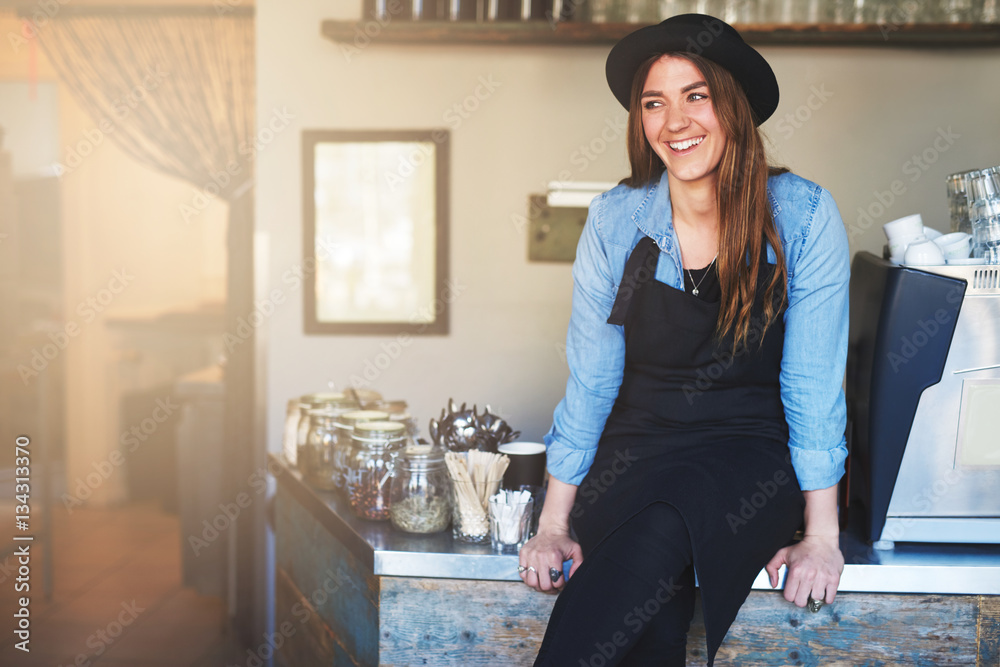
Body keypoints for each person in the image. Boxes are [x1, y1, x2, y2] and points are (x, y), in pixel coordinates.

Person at [517, 14, 850, 667]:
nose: (675, 121)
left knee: (667, 520)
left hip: (746, 457)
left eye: (695, 95)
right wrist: (553, 522)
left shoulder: (805, 215)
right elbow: (592, 378)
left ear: (733, 106)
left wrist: (823, 533)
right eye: (654, 102)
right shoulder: (617, 220)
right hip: (635, 449)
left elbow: (811, 383)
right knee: (657, 616)